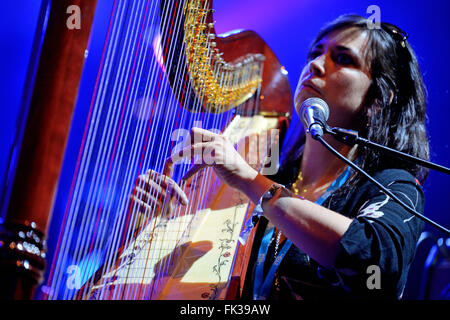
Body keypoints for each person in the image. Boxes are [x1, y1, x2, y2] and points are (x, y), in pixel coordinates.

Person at [132, 14, 429, 299]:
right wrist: (156, 222)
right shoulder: (274, 174)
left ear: (378, 101)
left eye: (342, 59)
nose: (315, 64)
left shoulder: (395, 187)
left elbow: (376, 264)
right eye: (316, 52)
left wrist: (249, 180)